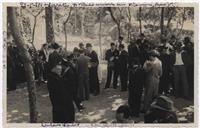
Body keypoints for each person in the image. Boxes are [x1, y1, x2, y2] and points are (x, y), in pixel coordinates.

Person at [47, 43, 75, 123]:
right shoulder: (56, 57)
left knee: (57, 106)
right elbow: (56, 69)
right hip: (57, 86)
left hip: (54, 85)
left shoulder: (52, 56)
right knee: (61, 105)